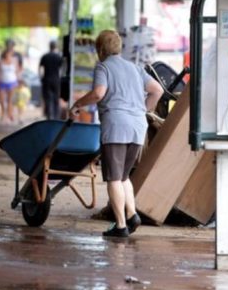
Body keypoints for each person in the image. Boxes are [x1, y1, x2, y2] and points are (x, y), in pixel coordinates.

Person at [70, 30, 163, 238]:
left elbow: (98, 93)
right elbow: (157, 90)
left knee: (113, 178)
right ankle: (131, 215)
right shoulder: (136, 69)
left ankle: (120, 225)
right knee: (123, 176)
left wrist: (78, 105)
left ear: (100, 49)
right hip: (137, 127)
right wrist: (144, 110)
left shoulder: (103, 67)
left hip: (116, 127)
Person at [39, 40, 63, 120]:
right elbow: (62, 69)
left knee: (48, 98)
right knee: (56, 98)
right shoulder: (59, 57)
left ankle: (49, 116)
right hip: (56, 80)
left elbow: (40, 68)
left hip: (46, 79)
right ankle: (56, 117)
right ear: (55, 47)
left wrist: (41, 77)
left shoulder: (45, 56)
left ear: (49, 46)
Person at [0, 48, 20, 123]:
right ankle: (3, 113)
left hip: (12, 82)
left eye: (11, 53)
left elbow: (17, 71)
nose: (9, 55)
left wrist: (18, 81)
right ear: (5, 54)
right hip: (2, 82)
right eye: (8, 53)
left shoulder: (15, 61)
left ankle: (9, 115)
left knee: (10, 100)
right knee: (2, 100)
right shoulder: (0, 61)